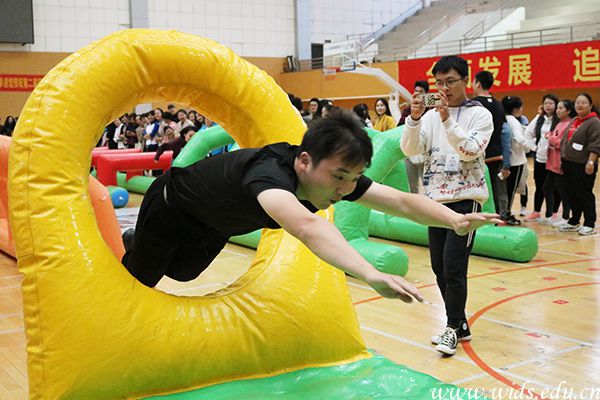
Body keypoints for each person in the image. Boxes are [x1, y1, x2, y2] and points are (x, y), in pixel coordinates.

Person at [122, 109, 499, 308]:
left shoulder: (330, 177)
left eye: (354, 178)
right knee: (142, 279)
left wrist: (454, 219)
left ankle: (137, 242)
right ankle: (136, 242)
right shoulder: (270, 175)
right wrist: (369, 273)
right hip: (172, 208)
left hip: (215, 224)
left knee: (184, 273)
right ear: (304, 161)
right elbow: (307, 227)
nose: (346, 188)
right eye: (340, 177)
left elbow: (399, 200)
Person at [400, 56, 494, 356]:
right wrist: (414, 119)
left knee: (454, 266)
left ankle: (451, 328)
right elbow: (410, 150)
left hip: (466, 200)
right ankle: (460, 323)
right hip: (434, 202)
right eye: (439, 82)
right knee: (439, 267)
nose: (444, 88)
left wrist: (446, 120)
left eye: (450, 81)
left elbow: (469, 151)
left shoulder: (480, 115)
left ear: (465, 81)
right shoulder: (429, 117)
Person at [472, 71, 513, 224]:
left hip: (479, 154)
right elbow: (505, 132)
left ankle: (481, 221)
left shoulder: (473, 104)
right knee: (494, 190)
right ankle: (496, 220)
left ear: (478, 83)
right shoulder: (499, 105)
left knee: (476, 190)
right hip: (496, 155)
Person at [558, 93, 600, 235]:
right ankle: (574, 220)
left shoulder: (594, 122)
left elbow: (596, 144)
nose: (580, 105)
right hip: (569, 163)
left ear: (590, 105)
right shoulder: (575, 120)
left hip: (583, 164)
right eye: (577, 102)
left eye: (583, 102)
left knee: (584, 194)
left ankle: (589, 223)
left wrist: (591, 162)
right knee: (571, 193)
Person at [524, 95, 561, 222]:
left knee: (554, 187)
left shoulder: (559, 120)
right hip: (540, 158)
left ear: (556, 105)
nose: (548, 106)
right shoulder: (539, 118)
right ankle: (536, 211)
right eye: (546, 103)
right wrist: (534, 147)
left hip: (554, 159)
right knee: (539, 185)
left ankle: (553, 212)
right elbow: (527, 133)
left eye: (551, 103)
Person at [502, 96, 536, 226]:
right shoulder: (513, 121)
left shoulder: (503, 118)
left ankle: (504, 212)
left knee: (505, 189)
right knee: (510, 189)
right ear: (516, 109)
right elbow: (519, 138)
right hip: (516, 161)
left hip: (506, 159)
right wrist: (534, 148)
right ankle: (506, 213)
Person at [545, 99, 576, 228]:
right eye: (557, 108)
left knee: (564, 191)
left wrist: (551, 138)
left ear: (568, 111)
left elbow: (563, 143)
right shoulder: (559, 123)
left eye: (561, 108)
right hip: (553, 162)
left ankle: (565, 217)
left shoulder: (570, 124)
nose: (558, 111)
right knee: (548, 188)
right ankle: (552, 215)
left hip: (560, 163)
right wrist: (551, 136)